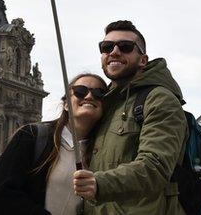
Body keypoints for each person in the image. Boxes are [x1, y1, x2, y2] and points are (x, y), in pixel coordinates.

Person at [73, 20, 187, 214]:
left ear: (143, 60)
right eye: (106, 47)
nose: (114, 52)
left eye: (125, 47)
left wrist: (99, 184)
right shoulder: (107, 103)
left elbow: (155, 167)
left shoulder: (159, 99)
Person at [0, 73, 107, 215]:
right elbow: (1, 193)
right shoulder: (31, 136)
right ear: (66, 104)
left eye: (99, 93)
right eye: (80, 91)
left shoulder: (104, 152)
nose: (89, 96)